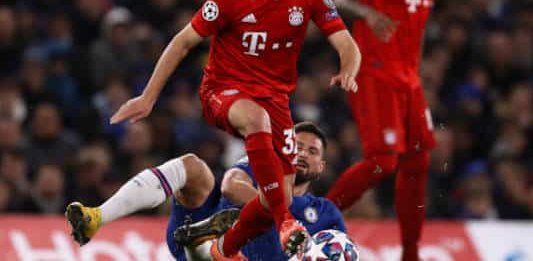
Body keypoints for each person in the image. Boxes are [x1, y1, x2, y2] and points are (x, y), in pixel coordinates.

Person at [69, 0, 361, 260]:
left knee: (271, 199)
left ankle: (223, 251)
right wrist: (149, 96)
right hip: (224, 90)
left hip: (276, 100)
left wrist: (348, 69)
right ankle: (98, 216)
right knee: (255, 129)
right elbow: (182, 42)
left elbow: (347, 44)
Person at [325, 0, 440, 261]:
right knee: (383, 162)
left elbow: (416, 30)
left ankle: (410, 253)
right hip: (375, 70)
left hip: (408, 78)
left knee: (419, 159)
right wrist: (368, 13)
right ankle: (312, 219)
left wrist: (417, 71)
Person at [65, 122, 345, 261]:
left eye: (311, 151)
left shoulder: (326, 213)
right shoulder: (260, 166)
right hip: (210, 228)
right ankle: (97, 216)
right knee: (193, 167)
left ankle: (204, 248)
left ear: (321, 166)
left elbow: (341, 252)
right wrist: (284, 217)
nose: (301, 154)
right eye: (295, 146)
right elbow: (231, 186)